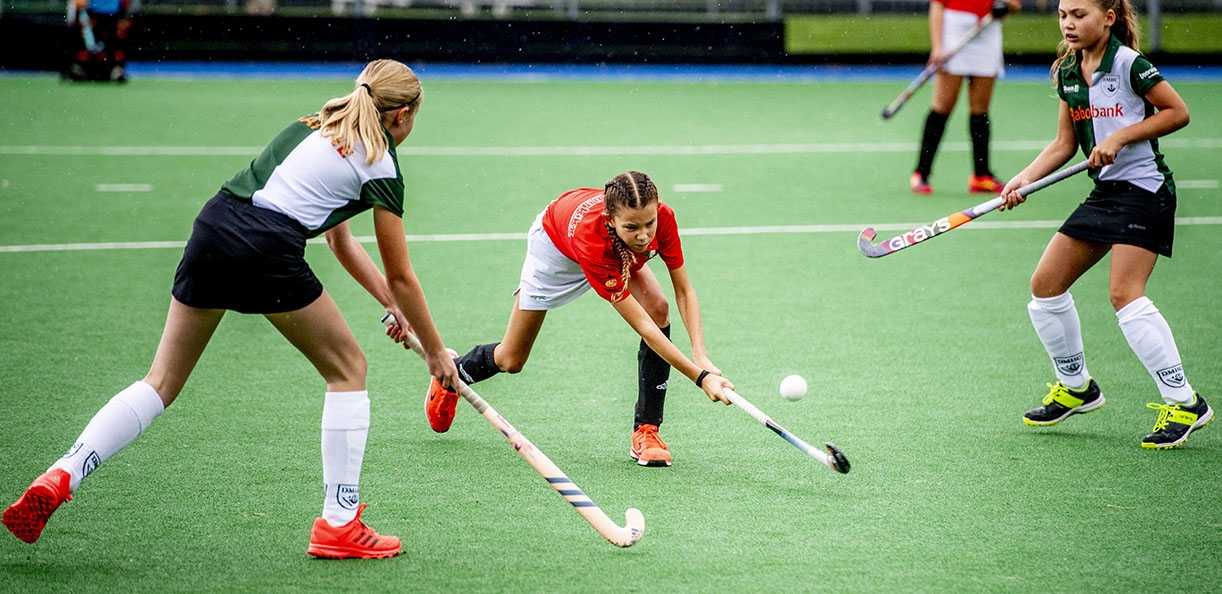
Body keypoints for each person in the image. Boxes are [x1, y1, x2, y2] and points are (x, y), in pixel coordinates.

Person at [2, 59, 461, 558]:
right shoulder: (383, 165)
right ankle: (339, 524)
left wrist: (394, 309)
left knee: (159, 383)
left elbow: (340, 241)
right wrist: (435, 352)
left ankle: (64, 471)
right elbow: (401, 274)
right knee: (349, 370)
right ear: (402, 115)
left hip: (215, 226)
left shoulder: (316, 124)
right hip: (267, 249)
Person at [413, 171, 734, 467]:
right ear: (611, 219)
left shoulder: (661, 219)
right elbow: (645, 329)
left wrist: (700, 354)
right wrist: (699, 376)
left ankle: (646, 431)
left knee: (659, 306)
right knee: (511, 359)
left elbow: (684, 291)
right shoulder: (593, 240)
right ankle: (453, 372)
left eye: (648, 224)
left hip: (612, 249)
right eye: (632, 227)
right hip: (556, 248)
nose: (644, 236)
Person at [999, 0, 1210, 449]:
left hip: (1145, 191)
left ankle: (1184, 400)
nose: (1069, 24)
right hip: (1106, 194)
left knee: (1124, 294)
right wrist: (1024, 179)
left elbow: (1177, 112)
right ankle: (1077, 387)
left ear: (1108, 17)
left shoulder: (1130, 64)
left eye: (1080, 14)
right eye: (1063, 15)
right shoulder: (1067, 71)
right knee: (1045, 286)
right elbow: (1063, 144)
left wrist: (1119, 136)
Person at [910, 0, 1020, 195]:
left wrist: (1004, 5)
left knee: (980, 109)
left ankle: (981, 176)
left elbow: (1015, 5)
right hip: (953, 31)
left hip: (987, 30)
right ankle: (921, 172)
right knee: (943, 106)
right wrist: (937, 47)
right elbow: (937, 5)